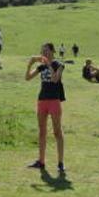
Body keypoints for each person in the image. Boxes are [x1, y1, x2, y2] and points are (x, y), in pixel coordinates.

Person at [25, 43, 66, 172]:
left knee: (57, 132)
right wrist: (30, 64)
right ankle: (41, 162)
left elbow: (54, 79)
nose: (45, 53)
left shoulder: (59, 65)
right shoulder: (41, 66)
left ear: (53, 51)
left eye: (47, 51)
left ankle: (60, 163)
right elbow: (27, 78)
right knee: (42, 132)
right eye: (43, 51)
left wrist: (48, 64)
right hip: (42, 100)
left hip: (54, 100)